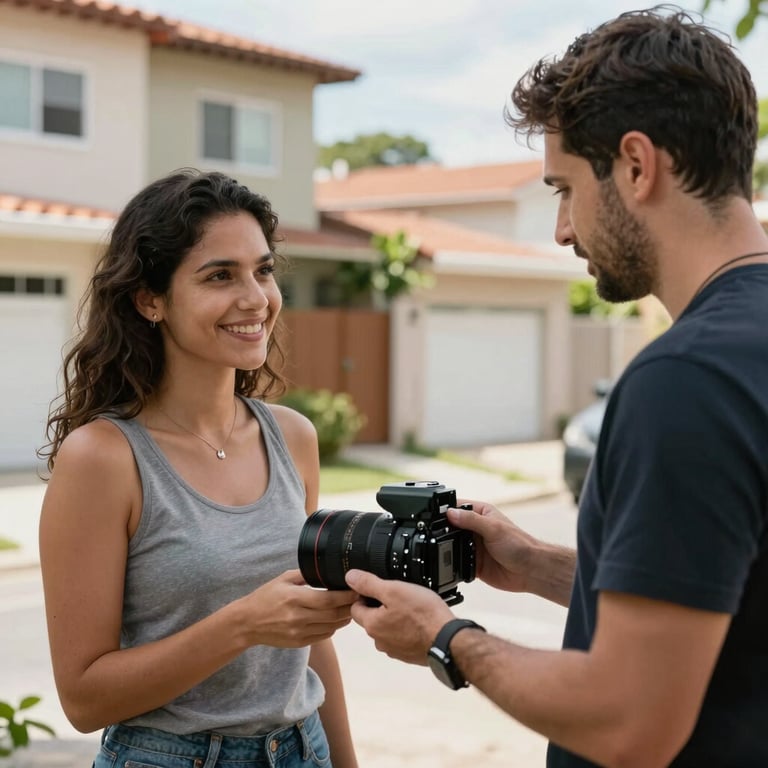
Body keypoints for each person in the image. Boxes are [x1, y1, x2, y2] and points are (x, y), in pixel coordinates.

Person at [344, 8, 768, 768]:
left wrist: (447, 638)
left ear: (637, 167)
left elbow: (629, 722)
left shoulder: (686, 380)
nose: (563, 231)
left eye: (565, 189)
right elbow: (728, 602)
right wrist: (537, 564)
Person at [39, 168, 359, 768]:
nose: (256, 298)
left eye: (263, 270)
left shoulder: (292, 437)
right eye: (220, 276)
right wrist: (242, 625)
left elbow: (310, 652)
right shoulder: (104, 459)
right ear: (149, 299)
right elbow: (83, 698)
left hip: (303, 747)